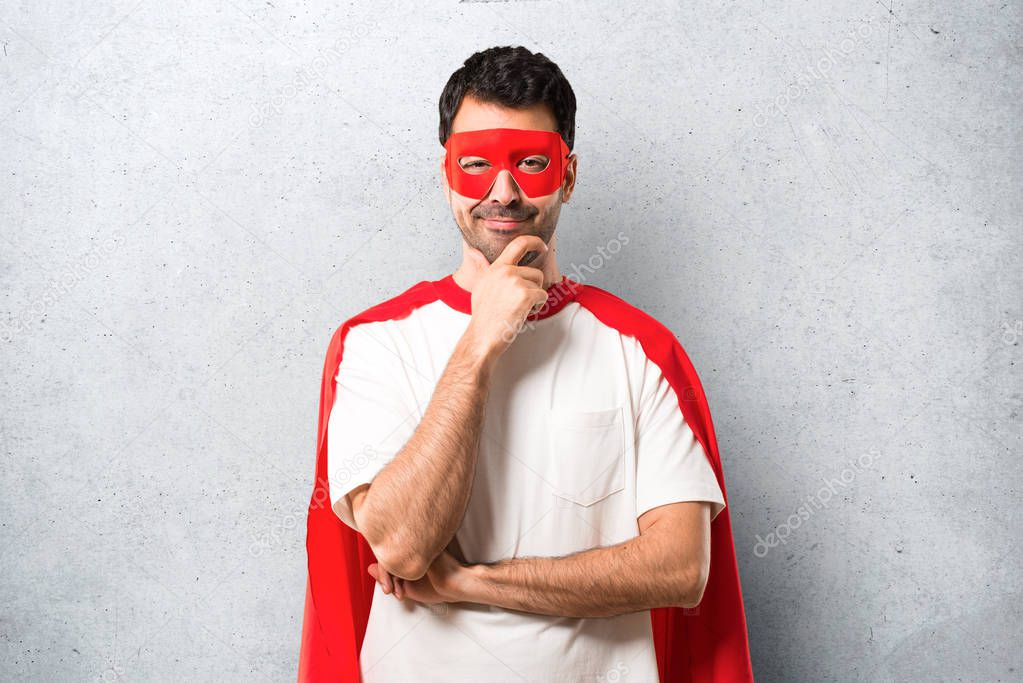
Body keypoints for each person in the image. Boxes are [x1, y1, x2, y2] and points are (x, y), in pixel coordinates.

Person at [299, 45, 753, 682]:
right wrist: (481, 341)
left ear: (568, 174)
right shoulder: (374, 342)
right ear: (447, 175)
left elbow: (681, 569)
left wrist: (472, 583)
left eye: (532, 163)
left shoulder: (640, 349)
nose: (503, 193)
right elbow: (401, 545)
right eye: (477, 164)